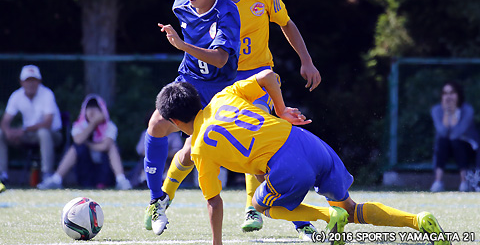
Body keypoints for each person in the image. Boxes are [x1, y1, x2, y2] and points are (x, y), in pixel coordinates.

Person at [156, 69, 450, 245]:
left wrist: (217, 243)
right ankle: (418, 221)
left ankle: (326, 216)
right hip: (308, 143)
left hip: (287, 165)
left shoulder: (199, 148)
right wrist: (281, 109)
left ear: (175, 123)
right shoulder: (223, 96)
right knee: (351, 207)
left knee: (264, 208)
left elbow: (213, 202)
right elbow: (269, 76)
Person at [160, 0, 322, 240]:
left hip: (258, 81)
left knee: (261, 148)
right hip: (221, 83)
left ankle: (266, 212)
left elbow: (286, 23)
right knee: (192, 147)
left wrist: (307, 61)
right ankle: (162, 197)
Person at [142, 0, 240, 235]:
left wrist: (182, 45)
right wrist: (183, 47)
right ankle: (155, 199)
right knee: (156, 125)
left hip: (221, 89)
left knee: (193, 153)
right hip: (189, 81)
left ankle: (298, 218)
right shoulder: (181, 6)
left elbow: (221, 59)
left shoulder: (227, 12)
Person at [37, 94, 132, 190]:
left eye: (96, 108)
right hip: (86, 172)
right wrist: (93, 124)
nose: (92, 112)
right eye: (89, 108)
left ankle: (121, 180)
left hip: (105, 173)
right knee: (76, 148)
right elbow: (78, 140)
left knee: (112, 147)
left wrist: (88, 144)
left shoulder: (110, 126)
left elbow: (105, 146)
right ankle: (56, 180)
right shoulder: (79, 126)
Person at [0, 65, 62, 185]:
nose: (31, 84)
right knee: (1, 133)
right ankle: (2, 175)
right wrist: (8, 131)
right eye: (28, 80)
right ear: (21, 82)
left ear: (39, 81)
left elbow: (47, 123)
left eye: (33, 80)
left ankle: (47, 176)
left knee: (43, 132)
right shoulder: (16, 95)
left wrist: (23, 130)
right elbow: (5, 120)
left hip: (52, 135)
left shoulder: (47, 94)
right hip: (28, 135)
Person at [430, 81, 480, 192]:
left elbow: (456, 134)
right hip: (446, 146)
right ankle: (438, 181)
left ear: (458, 95)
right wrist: (447, 113)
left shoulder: (467, 110)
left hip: (467, 147)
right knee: (442, 141)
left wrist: (453, 113)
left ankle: (464, 182)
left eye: (452, 93)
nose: (448, 97)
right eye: (445, 93)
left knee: (456, 142)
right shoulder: (436, 110)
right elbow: (442, 132)